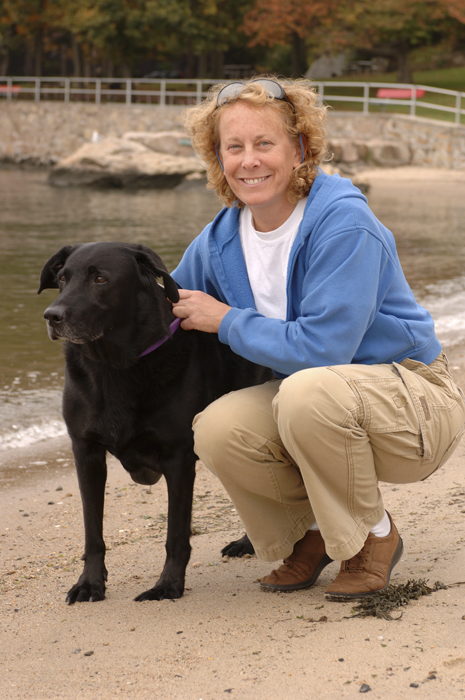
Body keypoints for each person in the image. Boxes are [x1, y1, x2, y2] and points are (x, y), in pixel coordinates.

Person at [169, 77, 465, 600]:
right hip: (319, 405)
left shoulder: (343, 222)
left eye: (264, 143)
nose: (248, 160)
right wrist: (95, 297)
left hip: (415, 401)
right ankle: (311, 533)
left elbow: (324, 351)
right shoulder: (221, 239)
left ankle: (373, 535)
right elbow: (168, 304)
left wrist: (227, 321)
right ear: (218, 158)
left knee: (305, 391)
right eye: (233, 147)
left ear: (300, 148)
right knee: (218, 428)